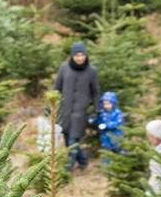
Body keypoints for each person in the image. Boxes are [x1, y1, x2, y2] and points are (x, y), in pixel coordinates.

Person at [53, 41, 99, 172]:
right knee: (68, 138)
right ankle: (83, 161)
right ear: (72, 56)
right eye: (77, 55)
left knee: (73, 140)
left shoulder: (91, 71)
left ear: (85, 55)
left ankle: (68, 168)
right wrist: (50, 105)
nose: (80, 58)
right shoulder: (64, 67)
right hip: (65, 110)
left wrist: (96, 109)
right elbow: (57, 87)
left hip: (80, 112)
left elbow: (95, 92)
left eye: (82, 55)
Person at [96, 91, 125, 157]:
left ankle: (118, 164)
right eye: (105, 104)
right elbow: (99, 122)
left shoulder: (117, 113)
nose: (106, 106)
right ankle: (106, 165)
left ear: (114, 103)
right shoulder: (102, 113)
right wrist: (93, 119)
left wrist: (107, 125)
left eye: (108, 104)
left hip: (115, 135)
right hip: (105, 137)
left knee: (117, 150)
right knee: (106, 152)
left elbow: (118, 123)